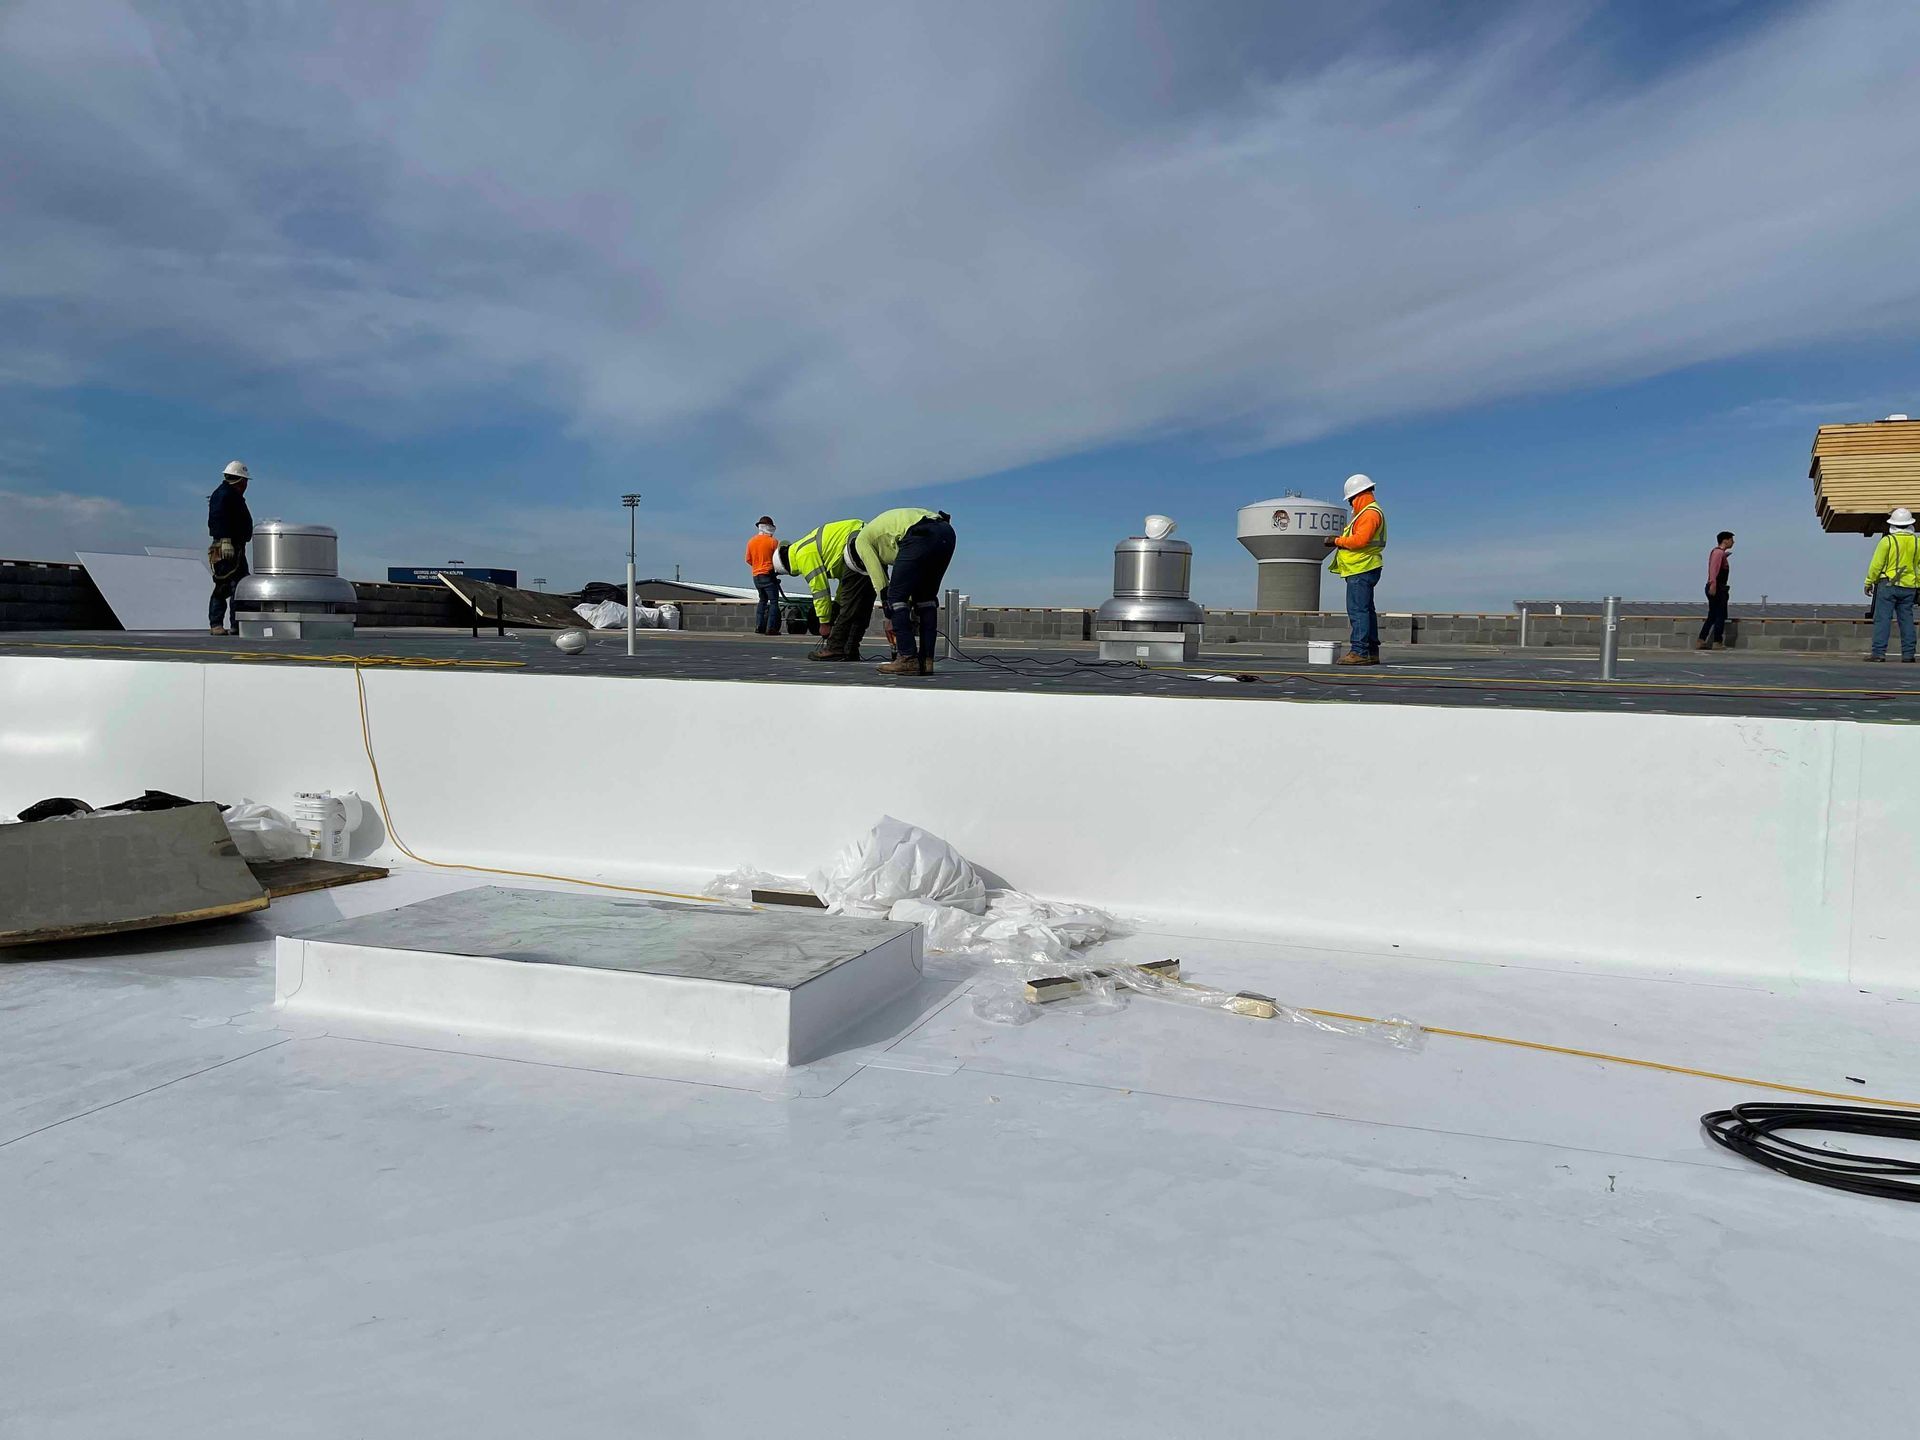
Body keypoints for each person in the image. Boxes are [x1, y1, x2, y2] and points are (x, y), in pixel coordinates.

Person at [858, 507, 957, 677]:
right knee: (926, 599)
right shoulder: (883, 533)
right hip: (945, 532)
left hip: (920, 533)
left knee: (895, 598)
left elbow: (881, 584)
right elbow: (910, 575)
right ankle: (926, 661)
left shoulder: (861, 541)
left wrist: (890, 615)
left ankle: (908, 659)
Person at [772, 517, 871, 661]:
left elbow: (820, 591)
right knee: (863, 604)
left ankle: (834, 649)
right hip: (864, 540)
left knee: (849, 608)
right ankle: (850, 649)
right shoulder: (807, 545)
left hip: (856, 546)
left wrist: (824, 622)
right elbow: (845, 580)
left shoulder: (803, 555)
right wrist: (837, 604)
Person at [1323, 474, 1385, 666]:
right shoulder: (1368, 512)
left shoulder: (1369, 514)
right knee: (1366, 611)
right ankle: (1371, 651)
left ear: (1357, 495)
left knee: (1358, 611)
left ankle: (1360, 651)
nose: (1350, 504)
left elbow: (1360, 540)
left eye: (1350, 500)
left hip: (1361, 567)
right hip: (1364, 567)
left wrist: (1336, 541)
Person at [1864, 508, 1919, 663]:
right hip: (1909, 587)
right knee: (1907, 620)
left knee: (1883, 619)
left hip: (1888, 585)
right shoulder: (1917, 542)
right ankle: (1908, 655)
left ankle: (1879, 653)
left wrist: (1869, 582)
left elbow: (1876, 565)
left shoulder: (1887, 541)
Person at [206, 459, 253, 635]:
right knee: (223, 585)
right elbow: (217, 518)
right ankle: (216, 623)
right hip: (224, 546)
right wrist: (224, 539)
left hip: (236, 547)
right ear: (240, 480)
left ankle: (236, 624)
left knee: (240, 586)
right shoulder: (223, 495)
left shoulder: (232, 496)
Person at [1698, 531, 1735, 651]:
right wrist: (1713, 585)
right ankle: (1717, 641)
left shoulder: (1720, 554)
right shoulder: (1718, 553)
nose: (1733, 542)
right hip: (1718, 587)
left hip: (1718, 587)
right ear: (1725, 540)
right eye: (1731, 539)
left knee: (1713, 615)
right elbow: (1714, 569)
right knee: (1720, 615)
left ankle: (1702, 640)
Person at [745, 516, 783, 634]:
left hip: (756, 576)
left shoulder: (751, 541)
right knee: (773, 601)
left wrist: (758, 566)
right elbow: (778, 560)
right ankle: (771, 628)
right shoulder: (773, 542)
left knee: (762, 600)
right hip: (768, 574)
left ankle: (759, 626)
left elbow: (748, 559)